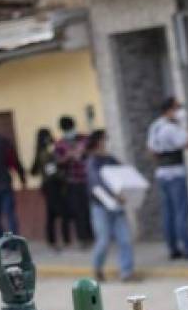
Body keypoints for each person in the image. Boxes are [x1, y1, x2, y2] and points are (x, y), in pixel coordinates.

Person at [146, 97, 188, 260]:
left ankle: (173, 248)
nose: (180, 111)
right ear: (169, 110)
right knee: (181, 212)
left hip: (162, 173)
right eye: (177, 108)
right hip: (175, 174)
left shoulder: (155, 126)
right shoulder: (171, 128)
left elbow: (151, 151)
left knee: (168, 213)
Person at [85, 130, 135, 283]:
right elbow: (96, 183)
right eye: (105, 139)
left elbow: (123, 175)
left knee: (125, 239)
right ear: (98, 142)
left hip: (117, 207)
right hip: (100, 207)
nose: (107, 142)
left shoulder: (111, 159)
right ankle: (97, 268)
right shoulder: (92, 162)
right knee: (103, 240)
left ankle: (126, 272)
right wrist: (114, 195)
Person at [54, 115, 92, 245]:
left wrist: (83, 151)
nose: (68, 131)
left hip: (88, 179)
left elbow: (92, 153)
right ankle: (83, 238)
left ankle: (92, 236)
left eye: (69, 128)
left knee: (90, 209)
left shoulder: (85, 139)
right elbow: (58, 162)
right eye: (66, 129)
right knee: (78, 211)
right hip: (73, 181)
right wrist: (68, 156)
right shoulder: (60, 144)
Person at [31, 127, 70, 250]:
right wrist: (63, 177)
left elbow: (36, 171)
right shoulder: (45, 153)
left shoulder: (42, 152)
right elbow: (51, 171)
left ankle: (52, 241)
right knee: (62, 213)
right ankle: (64, 240)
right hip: (52, 185)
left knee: (51, 215)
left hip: (48, 186)